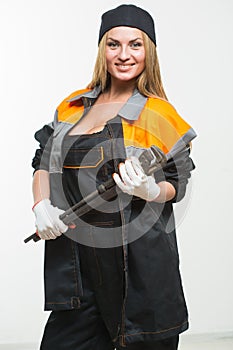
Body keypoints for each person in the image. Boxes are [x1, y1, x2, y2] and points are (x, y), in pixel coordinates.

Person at [31, 4, 196, 350]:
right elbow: (44, 162)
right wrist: (41, 204)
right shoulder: (72, 106)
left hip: (140, 274)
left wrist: (150, 189)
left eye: (135, 45)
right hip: (79, 272)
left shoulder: (158, 113)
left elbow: (176, 185)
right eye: (114, 44)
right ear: (101, 50)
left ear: (148, 52)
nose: (124, 55)